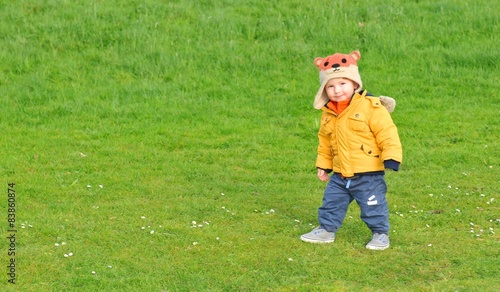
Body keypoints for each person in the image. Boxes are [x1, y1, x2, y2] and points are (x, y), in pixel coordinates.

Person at [300, 50, 402, 250]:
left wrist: (391, 157)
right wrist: (324, 165)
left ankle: (380, 233)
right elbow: (325, 142)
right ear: (324, 90)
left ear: (355, 84)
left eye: (342, 84)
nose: (337, 90)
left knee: (373, 206)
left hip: (368, 174)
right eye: (331, 86)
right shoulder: (328, 113)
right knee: (331, 202)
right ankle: (326, 229)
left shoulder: (371, 107)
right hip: (340, 174)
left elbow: (387, 133)